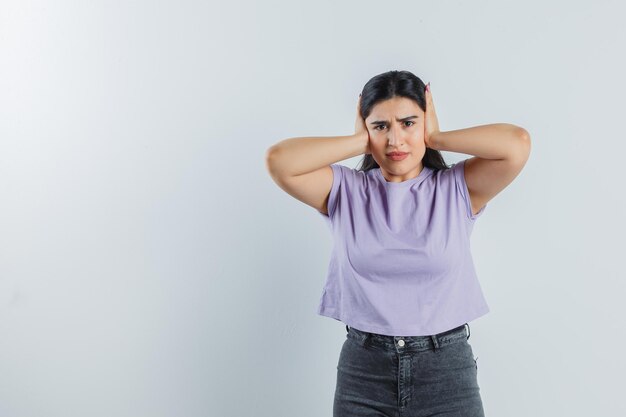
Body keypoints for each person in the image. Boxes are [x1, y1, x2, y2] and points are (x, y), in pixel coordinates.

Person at [264, 70, 531, 417]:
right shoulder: (346, 190)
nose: (395, 141)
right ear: (366, 129)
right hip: (364, 371)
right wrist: (357, 141)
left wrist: (436, 137)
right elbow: (279, 161)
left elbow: (517, 144)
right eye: (381, 127)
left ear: (425, 121)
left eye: (408, 123)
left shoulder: (457, 188)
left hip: (446, 371)